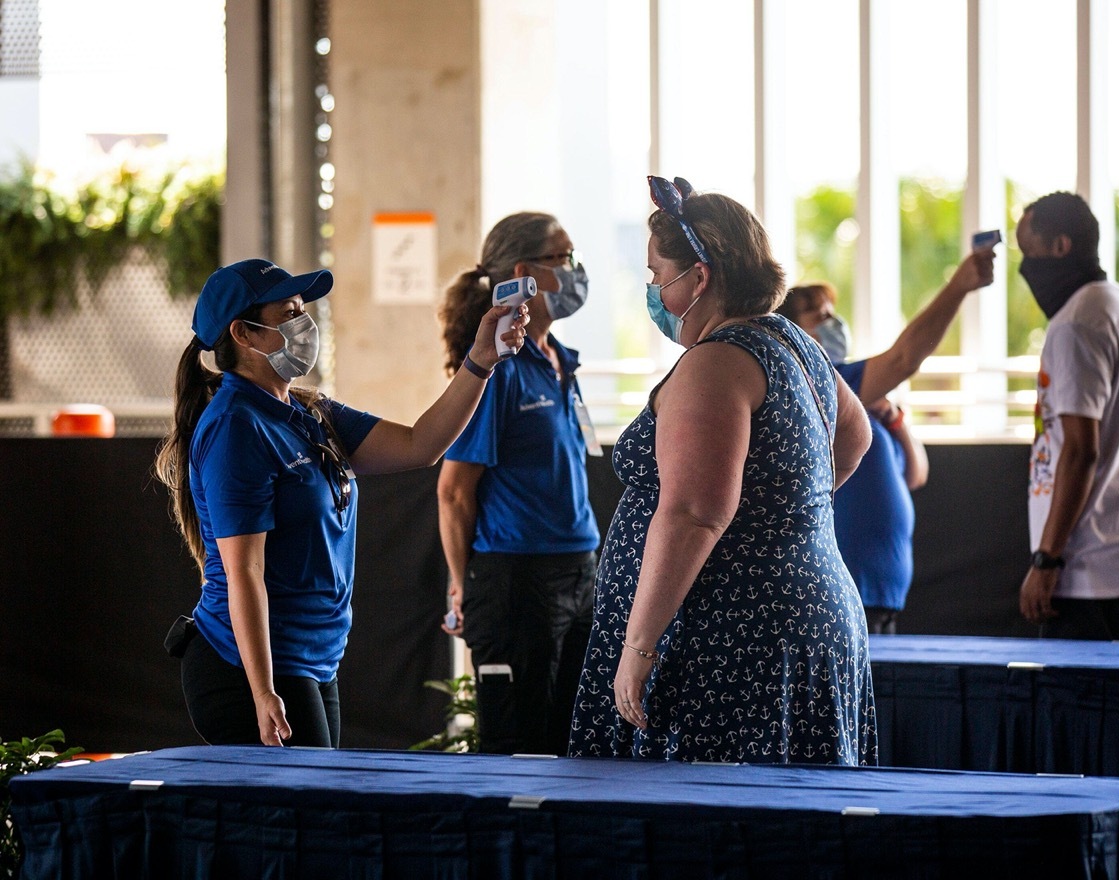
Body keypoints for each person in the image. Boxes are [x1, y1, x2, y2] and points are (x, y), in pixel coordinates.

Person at [154, 258, 528, 748]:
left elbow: (421, 444)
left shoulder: (309, 412)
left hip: (313, 659)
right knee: (306, 797)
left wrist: (480, 361)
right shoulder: (236, 428)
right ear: (243, 334)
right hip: (246, 667)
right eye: (289, 313)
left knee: (320, 792)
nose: (304, 324)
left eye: (302, 310)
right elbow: (244, 571)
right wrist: (262, 692)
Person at [569, 176, 875, 765]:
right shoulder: (792, 340)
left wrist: (639, 645)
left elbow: (694, 514)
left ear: (700, 278)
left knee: (714, 810)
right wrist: (775, 512)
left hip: (733, 638)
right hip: (802, 613)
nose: (653, 290)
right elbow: (855, 437)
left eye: (656, 274)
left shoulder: (715, 363)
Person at [437, 212, 601, 756]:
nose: (575, 269)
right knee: (523, 746)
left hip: (579, 568)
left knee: (573, 741)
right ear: (524, 273)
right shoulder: (498, 367)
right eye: (564, 257)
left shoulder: (560, 362)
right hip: (518, 577)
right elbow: (454, 490)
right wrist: (462, 584)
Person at [777, 248, 996, 633]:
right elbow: (903, 359)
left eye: (833, 313)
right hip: (845, 589)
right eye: (820, 316)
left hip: (882, 593)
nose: (835, 323)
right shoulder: (819, 386)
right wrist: (959, 286)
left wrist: (895, 420)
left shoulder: (855, 396)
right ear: (795, 332)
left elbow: (914, 475)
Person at [1016, 191, 1119, 640]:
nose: (1025, 269)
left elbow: (1081, 451)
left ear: (1060, 246)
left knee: (1080, 691)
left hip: (1092, 572)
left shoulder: (1075, 324)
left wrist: (1047, 559)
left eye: (1029, 252)